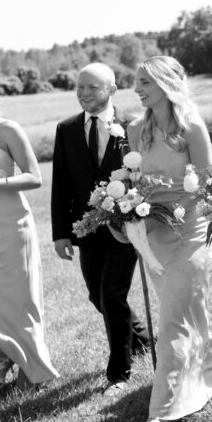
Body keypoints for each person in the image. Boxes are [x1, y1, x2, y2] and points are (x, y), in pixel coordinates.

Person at [127, 56, 212, 422]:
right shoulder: (137, 129)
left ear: (166, 84)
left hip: (190, 228)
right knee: (186, 308)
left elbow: (207, 186)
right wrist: (127, 212)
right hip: (154, 231)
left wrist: (176, 209)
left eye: (144, 82)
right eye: (136, 82)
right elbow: (135, 184)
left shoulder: (192, 128)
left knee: (172, 318)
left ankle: (159, 415)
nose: (136, 89)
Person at [51, 63, 150, 397]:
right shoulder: (66, 129)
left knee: (111, 294)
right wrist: (61, 233)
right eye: (80, 87)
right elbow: (61, 184)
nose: (83, 93)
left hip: (125, 226)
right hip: (86, 229)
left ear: (112, 89)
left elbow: (144, 175)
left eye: (92, 87)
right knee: (98, 295)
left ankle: (118, 372)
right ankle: (145, 341)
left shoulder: (133, 127)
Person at [0, 111, 58, 392]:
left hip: (10, 225)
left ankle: (33, 370)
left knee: (19, 299)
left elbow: (35, 177)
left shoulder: (7, 129)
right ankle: (0, 364)